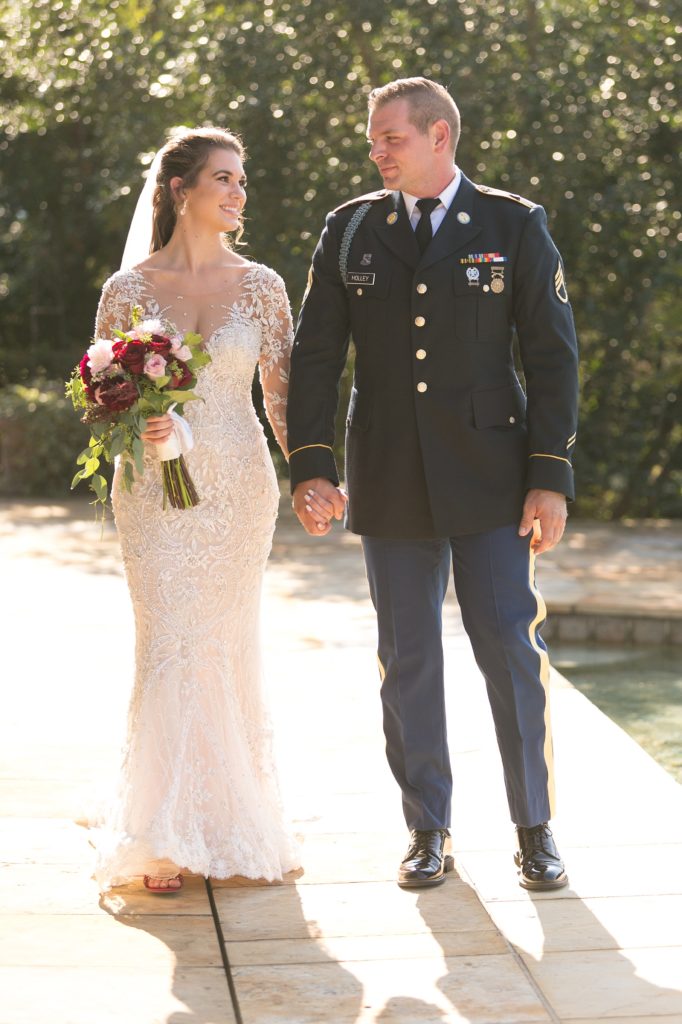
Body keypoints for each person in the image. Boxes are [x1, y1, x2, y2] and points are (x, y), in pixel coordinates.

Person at [287, 78, 579, 891]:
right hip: (388, 470)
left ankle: (535, 828)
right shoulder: (350, 229)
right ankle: (428, 829)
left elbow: (552, 356)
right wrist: (312, 464)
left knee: (510, 650)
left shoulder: (513, 223)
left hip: (493, 475)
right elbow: (316, 354)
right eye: (373, 139)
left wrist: (549, 476)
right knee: (406, 656)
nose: (376, 151)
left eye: (391, 137)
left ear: (439, 135)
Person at [92, 127, 299, 892]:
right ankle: (160, 832)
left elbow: (282, 400)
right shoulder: (127, 291)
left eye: (242, 180)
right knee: (170, 642)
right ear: (180, 189)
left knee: (222, 644)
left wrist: (314, 477)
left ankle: (225, 817)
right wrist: (134, 418)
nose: (239, 192)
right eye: (224, 178)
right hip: (154, 490)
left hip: (239, 489)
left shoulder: (263, 287)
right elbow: (102, 397)